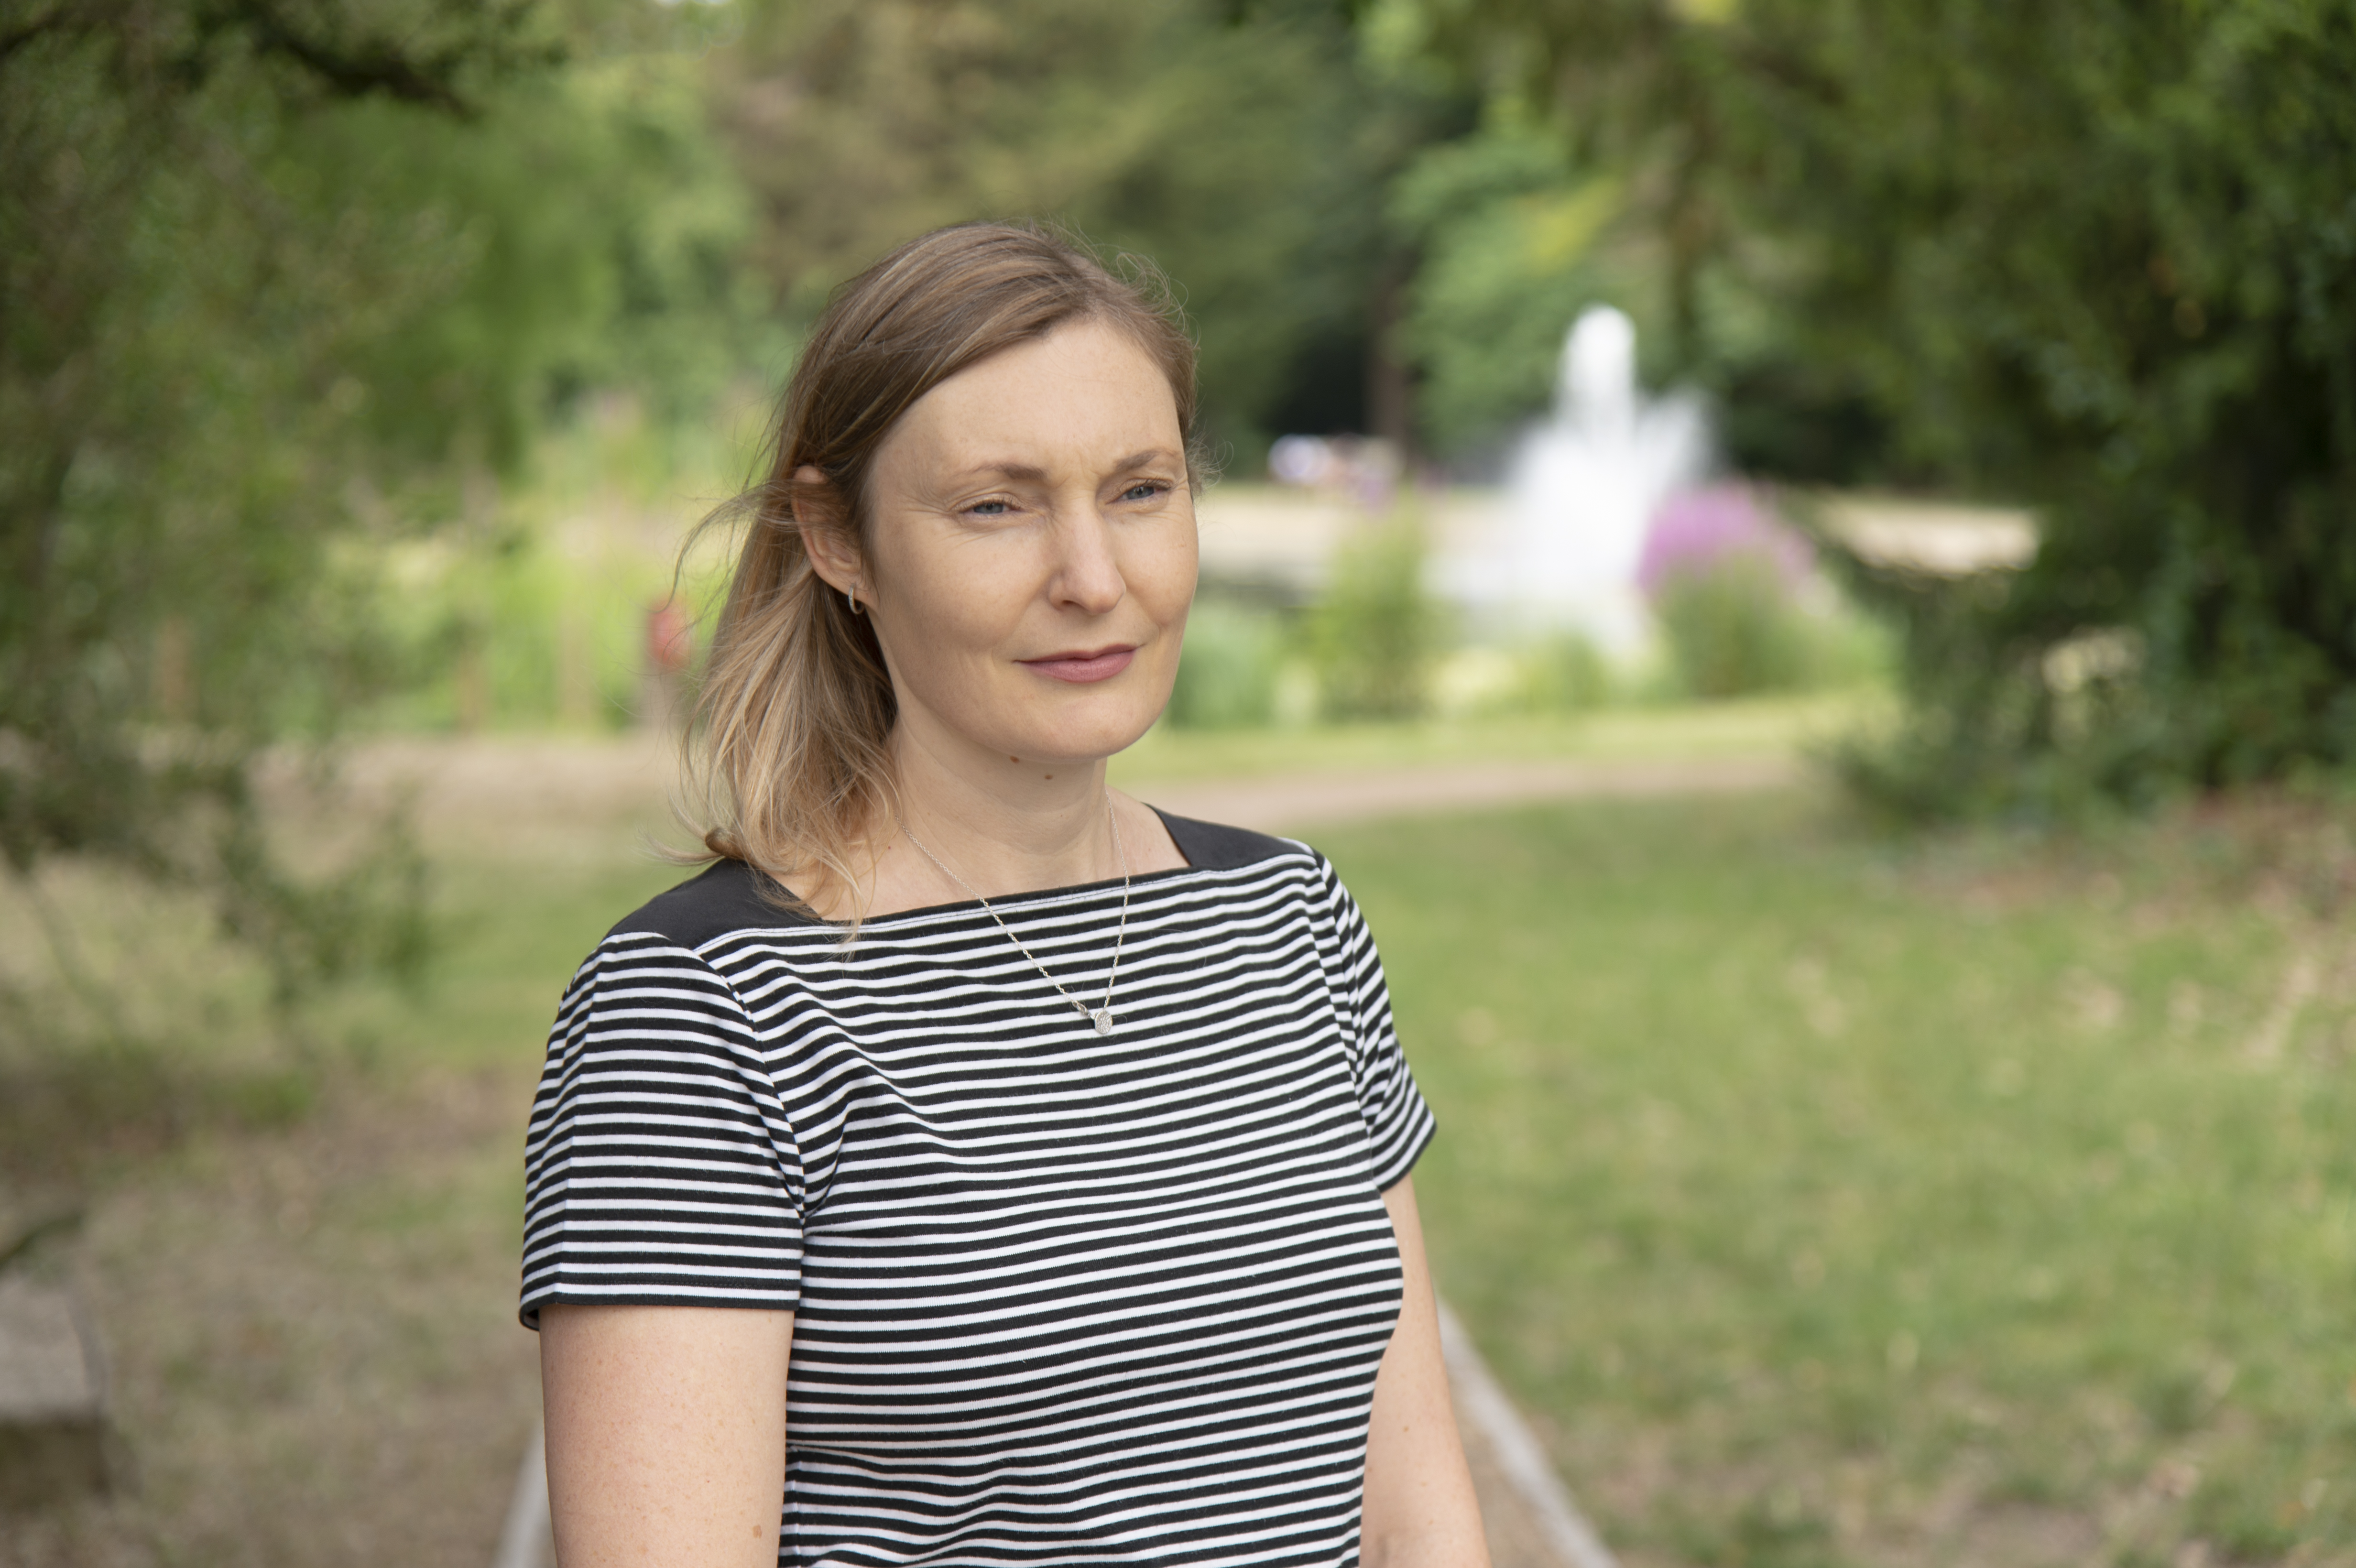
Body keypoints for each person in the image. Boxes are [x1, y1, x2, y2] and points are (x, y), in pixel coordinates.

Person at [520, 222, 1490, 1568]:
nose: (1095, 578)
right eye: (998, 504)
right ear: (837, 540)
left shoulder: (1291, 924)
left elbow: (1419, 1522)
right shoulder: (703, 1012)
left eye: (1142, 490)